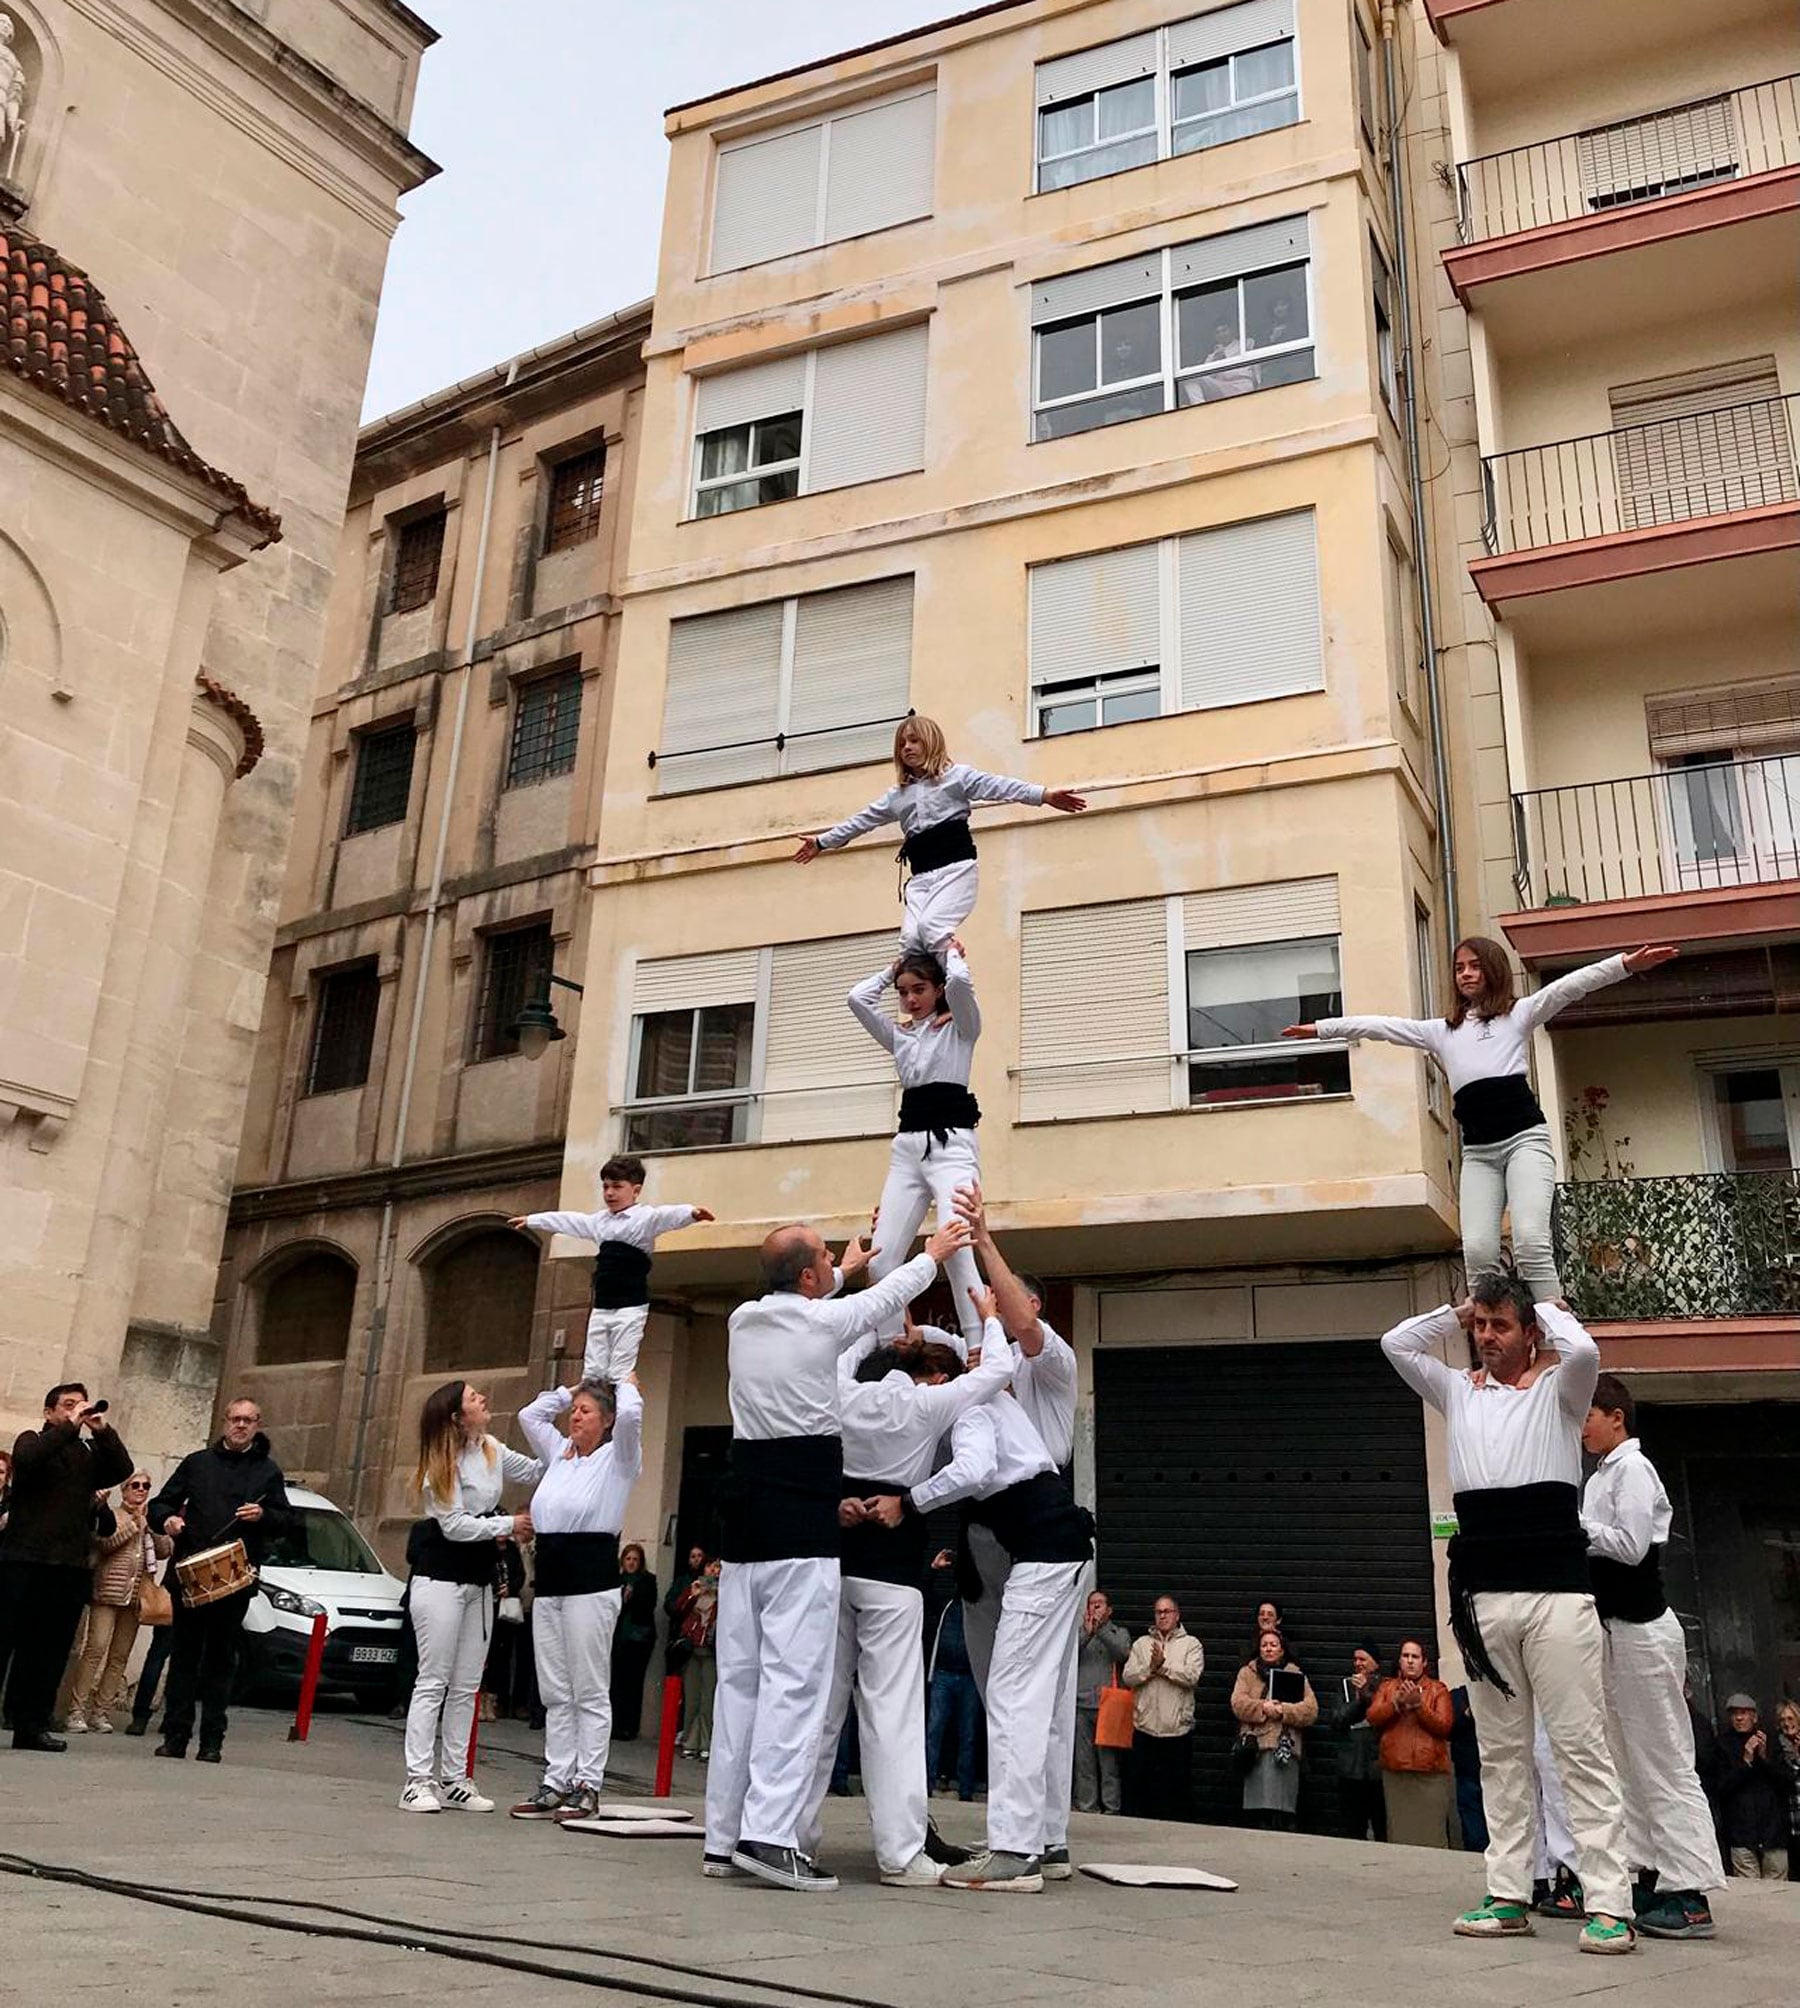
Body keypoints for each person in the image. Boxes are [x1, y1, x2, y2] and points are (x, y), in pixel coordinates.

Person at [703, 1216, 966, 1892]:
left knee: (741, 1680)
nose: (830, 1260)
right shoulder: (823, 1326)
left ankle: (724, 1836)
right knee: (797, 1683)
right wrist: (931, 1255)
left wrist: (845, 1264)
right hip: (797, 1522)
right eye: (823, 1255)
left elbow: (833, 1298)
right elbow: (878, 1303)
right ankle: (769, 1837)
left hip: (744, 1523)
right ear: (810, 1278)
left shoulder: (743, 1321)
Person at [1381, 1277, 1636, 1952]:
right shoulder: (1457, 1391)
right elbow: (1395, 1344)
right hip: (1484, 1599)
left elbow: (1584, 1354)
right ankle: (1508, 1893)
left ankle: (1610, 1903)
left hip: (1556, 1595)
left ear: (1529, 1334)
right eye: (1481, 1326)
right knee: (1500, 1754)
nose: (1488, 1337)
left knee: (1581, 1748)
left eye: (1501, 1325)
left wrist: (1547, 1309)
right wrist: (1454, 1312)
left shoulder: (1561, 1392)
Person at [1286, 941, 1677, 1299]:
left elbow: (1570, 986)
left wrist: (1625, 964)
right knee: (1477, 1251)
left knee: (1529, 1241)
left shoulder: (1518, 1015)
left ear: (1493, 970)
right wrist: (1323, 1029)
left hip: (1525, 1141)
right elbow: (1382, 1026)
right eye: (1459, 968)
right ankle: (1490, 1336)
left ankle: (1552, 1335)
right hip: (1479, 1153)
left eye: (1474, 966)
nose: (1466, 974)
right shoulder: (1442, 1032)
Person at [799, 1303, 1015, 1885]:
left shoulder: (846, 1393)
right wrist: (988, 1320)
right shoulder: (928, 1404)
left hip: (838, 1557)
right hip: (894, 1569)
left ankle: (790, 1836)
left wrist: (880, 1332)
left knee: (820, 1708)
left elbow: (837, 1356)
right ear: (940, 1378)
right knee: (891, 1713)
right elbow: (994, 1372)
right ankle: (898, 1853)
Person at [912, 1333, 1095, 1893]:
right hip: (1051, 1551)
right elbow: (958, 1336)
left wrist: (910, 1500)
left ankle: (1016, 1852)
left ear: (937, 1382)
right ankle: (1046, 1840)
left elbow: (971, 1471)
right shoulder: (987, 1393)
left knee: (1014, 1696)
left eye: (914, 1391)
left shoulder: (969, 1406)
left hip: (1041, 1554)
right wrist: (922, 1334)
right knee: (1044, 1703)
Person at [1579, 1374, 1723, 1936]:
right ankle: (1648, 1875)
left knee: (1663, 1757)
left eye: (1589, 1414)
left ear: (1616, 1416)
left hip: (1643, 1631)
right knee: (1625, 1760)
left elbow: (1632, 1545)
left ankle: (1690, 1893)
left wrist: (1576, 1529)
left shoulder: (1634, 1470)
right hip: (1614, 1631)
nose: (1582, 1425)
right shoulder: (1599, 1478)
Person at [794, 715, 1087, 953]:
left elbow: (1001, 786)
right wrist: (822, 842)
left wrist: (1044, 795)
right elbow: (860, 821)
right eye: (901, 744)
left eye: (914, 741)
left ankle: (951, 977)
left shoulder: (958, 778)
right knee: (910, 941)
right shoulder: (897, 796)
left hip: (955, 869)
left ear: (930, 743)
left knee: (932, 928)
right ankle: (925, 1006)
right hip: (921, 877)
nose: (906, 748)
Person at [398, 1380, 540, 1813]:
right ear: (458, 1418)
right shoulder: (440, 1466)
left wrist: (567, 1450)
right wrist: (507, 1526)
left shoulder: (491, 1448)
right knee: (433, 1680)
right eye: (473, 1398)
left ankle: (456, 1777)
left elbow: (533, 1470)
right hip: (440, 1578)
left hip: (478, 1581)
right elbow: (454, 1525)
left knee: (466, 1685)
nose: (483, 1400)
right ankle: (416, 1780)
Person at [508, 1373, 643, 1823]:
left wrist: (626, 1387)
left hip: (591, 1582)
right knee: (555, 1688)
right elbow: (530, 1414)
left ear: (606, 1421)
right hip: (551, 1582)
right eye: (575, 1411)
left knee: (588, 1687)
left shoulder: (617, 1461)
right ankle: (557, 1777)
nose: (576, 1417)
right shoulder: (561, 1457)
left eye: (586, 1411)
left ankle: (589, 1782)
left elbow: (633, 1419)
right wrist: (571, 1390)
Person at [849, 943, 985, 1343]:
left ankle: (978, 1342)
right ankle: (893, 1344)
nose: (910, 999)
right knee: (882, 1256)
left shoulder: (962, 1027)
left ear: (938, 989)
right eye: (903, 991)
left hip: (952, 1145)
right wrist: (891, 970)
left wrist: (952, 954)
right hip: (907, 1149)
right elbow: (856, 998)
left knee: (956, 1243)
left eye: (919, 990)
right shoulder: (900, 1035)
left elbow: (960, 981)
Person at [146, 1398, 290, 1764]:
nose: (240, 1426)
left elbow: (285, 1521)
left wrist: (263, 1514)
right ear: (225, 1423)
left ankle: (212, 1741)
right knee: (183, 1656)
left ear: (258, 1425)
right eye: (235, 1419)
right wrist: (169, 1522)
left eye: (248, 1421)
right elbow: (160, 1504)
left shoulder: (268, 1471)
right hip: (192, 1570)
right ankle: (175, 1735)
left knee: (221, 1659)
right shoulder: (198, 1463)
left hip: (234, 1579)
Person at [0, 1385, 133, 1751]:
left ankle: (32, 1725)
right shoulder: (33, 1441)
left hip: (67, 1567)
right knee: (4, 1641)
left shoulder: (87, 1453)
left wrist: (102, 1430)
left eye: (80, 1405)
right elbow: (28, 1462)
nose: (77, 1411)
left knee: (48, 1651)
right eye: (68, 1405)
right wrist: (70, 1427)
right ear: (49, 1413)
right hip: (24, 1561)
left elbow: (122, 1468)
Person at [510, 1159, 713, 1382]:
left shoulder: (643, 1218)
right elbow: (570, 1220)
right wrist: (533, 1220)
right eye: (606, 1187)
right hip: (603, 1304)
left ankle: (618, 1404)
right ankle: (591, 1405)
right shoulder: (600, 1222)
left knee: (620, 1367)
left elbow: (665, 1216)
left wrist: (691, 1213)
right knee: (593, 1369)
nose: (609, 1193)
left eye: (617, 1187)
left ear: (635, 1190)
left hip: (631, 1305)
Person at [67, 1473, 170, 1734]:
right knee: (95, 1649)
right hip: (107, 1592)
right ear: (124, 1491)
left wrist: (153, 1526)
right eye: (135, 1485)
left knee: (119, 1656)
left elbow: (164, 1550)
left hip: (136, 1598)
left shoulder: (149, 1520)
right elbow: (105, 1543)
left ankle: (100, 1711)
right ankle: (76, 1710)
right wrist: (134, 1524)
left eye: (146, 1486)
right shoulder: (113, 1515)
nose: (141, 1490)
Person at [1366, 1639, 1458, 1848]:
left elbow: (1444, 1726)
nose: (1410, 1661)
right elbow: (1372, 1717)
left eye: (1415, 1657)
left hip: (1430, 1774)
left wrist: (1418, 1705)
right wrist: (1396, 1703)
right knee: (1399, 1833)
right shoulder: (1388, 1688)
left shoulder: (1437, 1689)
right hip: (1396, 1772)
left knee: (1431, 1834)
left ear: (1424, 1662)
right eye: (1405, 1656)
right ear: (1399, 1660)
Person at [1123, 1596, 1203, 1822]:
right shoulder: (1141, 1644)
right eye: (1159, 1612)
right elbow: (1128, 1676)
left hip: (1177, 1731)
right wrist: (1150, 1668)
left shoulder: (1191, 1644)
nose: (1163, 1616)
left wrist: (1164, 1667)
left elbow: (1192, 1676)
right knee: (1142, 1788)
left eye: (1168, 1611)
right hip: (1145, 1729)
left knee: (1175, 1791)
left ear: (1177, 1615)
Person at [1232, 1628, 1318, 1831]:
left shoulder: (1294, 1674)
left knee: (1283, 1811)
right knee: (1258, 1812)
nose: (1269, 1649)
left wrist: (1283, 1711)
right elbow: (1237, 1702)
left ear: (1282, 1650)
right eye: (1264, 1645)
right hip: (1256, 1751)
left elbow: (1311, 1710)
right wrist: (1263, 1707)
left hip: (1285, 1750)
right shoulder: (1247, 1673)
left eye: (1273, 1645)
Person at [1716, 1693, 1791, 1879]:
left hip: (1773, 1832)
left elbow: (1786, 1781)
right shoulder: (1722, 1745)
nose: (1739, 1718)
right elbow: (1721, 1788)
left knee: (1778, 1890)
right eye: (1734, 1714)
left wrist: (1765, 1758)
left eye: (1744, 1713)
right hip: (1741, 1833)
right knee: (1749, 1892)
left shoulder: (1771, 1741)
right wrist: (1746, 1762)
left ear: (1755, 1717)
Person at [1073, 1590, 1131, 1815]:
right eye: (1091, 1604)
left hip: (1108, 1706)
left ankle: (1111, 1808)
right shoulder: (1079, 1633)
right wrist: (1088, 1633)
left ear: (1109, 1610)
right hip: (1082, 1704)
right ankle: (1088, 1807)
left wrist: (1102, 1630)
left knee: (1109, 1764)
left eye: (1099, 1604)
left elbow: (1122, 1654)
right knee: (1084, 1762)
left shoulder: (1119, 1632)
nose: (1095, 1608)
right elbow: (1069, 1656)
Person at [927, 1574, 981, 1803]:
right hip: (943, 1674)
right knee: (934, 1731)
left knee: (968, 1735)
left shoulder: (980, 1613)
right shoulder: (946, 1606)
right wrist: (934, 1570)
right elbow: (925, 1596)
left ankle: (966, 1788)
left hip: (969, 1677)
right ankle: (926, 1783)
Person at [1334, 1641, 1387, 1842]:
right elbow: (1338, 1719)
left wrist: (1367, 1694)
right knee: (1352, 1828)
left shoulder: (1386, 1686)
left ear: (1375, 1663)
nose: (1358, 1663)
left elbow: (1385, 1714)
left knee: (1382, 1825)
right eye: (1355, 1659)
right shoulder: (1345, 1686)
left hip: (1377, 1768)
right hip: (1350, 1768)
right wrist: (1359, 1701)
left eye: (1363, 1659)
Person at [611, 1542, 658, 1741]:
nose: (631, 1563)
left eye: (635, 1559)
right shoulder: (617, 1580)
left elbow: (648, 1606)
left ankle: (630, 1726)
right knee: (616, 1682)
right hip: (618, 1636)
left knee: (634, 1682)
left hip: (638, 1638)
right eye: (628, 1559)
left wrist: (632, 1596)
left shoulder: (647, 1581)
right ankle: (615, 1724)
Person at [675, 1560, 719, 1758]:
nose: (713, 1571)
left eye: (717, 1567)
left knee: (707, 1700)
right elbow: (678, 1610)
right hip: (693, 1650)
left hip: (711, 1652)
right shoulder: (696, 1590)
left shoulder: (724, 1594)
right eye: (710, 1566)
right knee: (691, 1698)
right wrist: (692, 1595)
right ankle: (690, 1741)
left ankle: (705, 1742)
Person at [1774, 1699, 1800, 1878]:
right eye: (1782, 1720)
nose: (1787, 1723)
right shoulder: (1776, 1747)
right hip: (1790, 1822)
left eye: (1790, 1718)